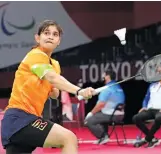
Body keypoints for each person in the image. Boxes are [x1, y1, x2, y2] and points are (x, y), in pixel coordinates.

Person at [1, 20, 95, 154]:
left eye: (55, 34)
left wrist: (54, 85)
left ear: (59, 41)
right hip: (19, 118)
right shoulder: (35, 55)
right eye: (46, 33)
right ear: (37, 38)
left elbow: (54, 94)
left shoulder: (54, 65)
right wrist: (79, 90)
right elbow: (52, 78)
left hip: (27, 120)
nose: (50, 36)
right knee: (69, 138)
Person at [133, 79, 161, 148]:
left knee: (159, 118)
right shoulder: (152, 85)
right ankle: (152, 139)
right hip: (150, 110)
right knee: (136, 118)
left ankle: (147, 139)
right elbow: (146, 98)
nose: (159, 73)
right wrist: (144, 106)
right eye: (158, 72)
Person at [84, 69, 125, 145]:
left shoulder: (107, 88)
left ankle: (103, 136)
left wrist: (90, 113)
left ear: (107, 77)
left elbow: (100, 105)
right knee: (101, 113)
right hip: (120, 115)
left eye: (104, 75)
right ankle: (104, 136)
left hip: (113, 115)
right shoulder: (118, 87)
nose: (102, 76)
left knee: (88, 120)